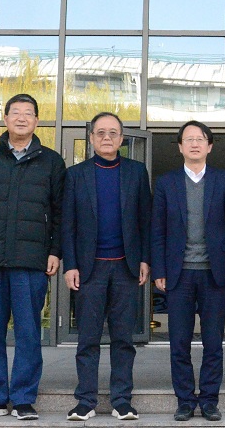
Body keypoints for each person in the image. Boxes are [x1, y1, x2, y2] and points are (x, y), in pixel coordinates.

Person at [0, 93, 66, 421]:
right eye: (15, 112)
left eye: (28, 113)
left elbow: (61, 213)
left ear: (37, 121)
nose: (21, 118)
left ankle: (23, 399)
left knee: (29, 334)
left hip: (31, 262)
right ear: (5, 119)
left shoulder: (51, 161)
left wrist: (55, 251)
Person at [151, 121, 225, 422]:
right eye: (188, 139)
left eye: (200, 139)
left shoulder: (224, 180)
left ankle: (209, 400)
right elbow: (157, 230)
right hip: (178, 274)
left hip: (213, 273)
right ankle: (184, 400)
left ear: (209, 146)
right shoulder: (166, 183)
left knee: (213, 342)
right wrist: (159, 269)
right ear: (180, 146)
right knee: (179, 342)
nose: (194, 144)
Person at [61, 111, 151, 421]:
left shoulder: (136, 172)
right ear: (91, 138)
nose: (107, 137)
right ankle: (85, 401)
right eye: (100, 132)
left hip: (126, 267)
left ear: (122, 139)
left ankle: (122, 401)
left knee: (124, 339)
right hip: (90, 269)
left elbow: (145, 221)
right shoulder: (76, 175)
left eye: (113, 132)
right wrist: (70, 264)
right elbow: (67, 225)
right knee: (87, 338)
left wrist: (145, 259)